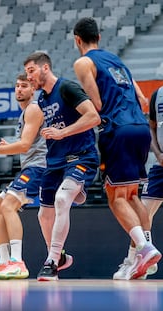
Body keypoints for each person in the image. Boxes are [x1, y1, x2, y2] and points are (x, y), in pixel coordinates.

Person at [73, 17, 162, 280]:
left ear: (77, 39)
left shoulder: (83, 62)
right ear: (99, 37)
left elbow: (97, 105)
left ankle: (144, 249)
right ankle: (142, 258)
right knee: (133, 195)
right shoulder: (116, 60)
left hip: (118, 130)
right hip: (140, 128)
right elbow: (142, 98)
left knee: (116, 196)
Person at [24, 51, 101, 281]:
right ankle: (60, 256)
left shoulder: (67, 88)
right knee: (42, 214)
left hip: (81, 156)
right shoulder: (42, 100)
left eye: (31, 71)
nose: (29, 77)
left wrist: (63, 132)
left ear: (45, 67)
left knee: (61, 200)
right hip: (55, 161)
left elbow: (93, 117)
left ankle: (51, 261)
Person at [0, 73, 47, 280]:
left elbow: (24, 145)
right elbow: (25, 144)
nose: (19, 89)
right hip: (29, 167)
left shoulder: (33, 109)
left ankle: (17, 262)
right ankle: (4, 262)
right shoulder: (23, 114)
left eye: (24, 85)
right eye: (17, 86)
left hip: (38, 168)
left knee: (7, 206)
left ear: (33, 90)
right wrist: (8, 146)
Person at [118, 87, 163, 279]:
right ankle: (135, 261)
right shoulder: (158, 94)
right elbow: (152, 126)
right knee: (141, 211)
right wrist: (158, 153)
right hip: (161, 165)